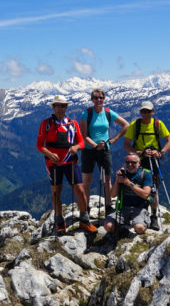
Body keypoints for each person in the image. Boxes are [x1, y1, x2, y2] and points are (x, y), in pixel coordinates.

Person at [37, 95, 97, 235]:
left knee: (80, 191)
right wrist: (49, 154)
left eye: (62, 106)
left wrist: (76, 148)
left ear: (66, 107)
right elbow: (39, 145)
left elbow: (81, 142)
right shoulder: (46, 124)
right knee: (56, 192)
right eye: (57, 105)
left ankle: (84, 220)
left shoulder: (72, 124)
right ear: (53, 107)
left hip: (70, 161)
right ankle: (59, 222)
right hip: (53, 163)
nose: (60, 108)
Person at [123, 101, 170, 230]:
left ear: (153, 112)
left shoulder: (158, 124)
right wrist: (138, 152)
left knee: (154, 189)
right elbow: (126, 144)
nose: (145, 114)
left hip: (154, 160)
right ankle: (141, 213)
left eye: (148, 111)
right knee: (137, 187)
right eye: (143, 111)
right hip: (138, 161)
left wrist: (160, 152)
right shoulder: (135, 125)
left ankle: (153, 216)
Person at [79, 88, 129, 215]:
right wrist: (96, 145)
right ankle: (86, 209)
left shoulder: (108, 112)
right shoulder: (87, 113)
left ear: (104, 98)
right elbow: (83, 135)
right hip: (89, 150)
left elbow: (126, 125)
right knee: (87, 181)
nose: (98, 100)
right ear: (92, 99)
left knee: (107, 180)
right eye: (96, 98)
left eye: (101, 97)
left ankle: (108, 207)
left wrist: (115, 139)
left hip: (105, 150)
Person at [104, 153, 153, 235]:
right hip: (122, 208)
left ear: (139, 163)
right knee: (108, 226)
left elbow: (145, 194)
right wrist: (117, 180)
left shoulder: (145, 175)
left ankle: (142, 221)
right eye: (127, 162)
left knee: (139, 228)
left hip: (139, 209)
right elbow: (113, 195)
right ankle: (123, 228)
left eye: (133, 162)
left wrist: (128, 183)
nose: (130, 165)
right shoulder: (122, 174)